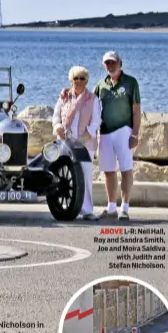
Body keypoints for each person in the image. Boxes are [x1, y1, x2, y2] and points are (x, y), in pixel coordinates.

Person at [94, 50, 141, 221]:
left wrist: (135, 134)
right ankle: (111, 207)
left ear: (120, 63)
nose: (110, 66)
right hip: (105, 133)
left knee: (126, 169)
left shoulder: (131, 82)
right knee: (108, 171)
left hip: (124, 131)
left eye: (113, 62)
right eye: (107, 63)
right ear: (104, 65)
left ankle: (125, 208)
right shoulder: (101, 85)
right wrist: (67, 92)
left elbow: (136, 110)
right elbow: (89, 102)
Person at [53, 66, 101, 221]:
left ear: (86, 81)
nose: (79, 81)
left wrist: (85, 137)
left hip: (84, 143)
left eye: (82, 78)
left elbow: (96, 121)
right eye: (76, 78)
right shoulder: (64, 97)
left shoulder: (93, 99)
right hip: (66, 142)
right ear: (71, 80)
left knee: (86, 176)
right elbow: (56, 116)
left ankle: (87, 211)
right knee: (64, 175)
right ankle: (64, 207)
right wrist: (57, 127)